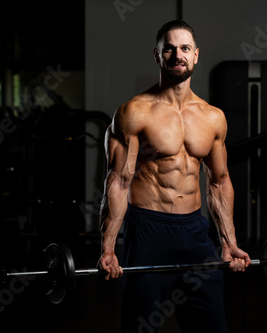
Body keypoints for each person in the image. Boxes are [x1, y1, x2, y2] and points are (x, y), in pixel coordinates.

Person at [98, 20, 251, 332]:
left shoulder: (212, 118)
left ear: (196, 55)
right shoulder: (135, 113)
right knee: (140, 326)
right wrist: (108, 247)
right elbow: (118, 181)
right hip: (149, 231)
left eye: (184, 48)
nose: (177, 54)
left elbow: (219, 183)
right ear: (157, 55)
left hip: (196, 231)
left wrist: (229, 242)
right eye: (169, 48)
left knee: (211, 326)